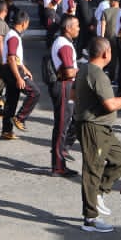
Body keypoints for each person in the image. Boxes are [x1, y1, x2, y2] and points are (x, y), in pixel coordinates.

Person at [75, 38, 121, 233]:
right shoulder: (96, 74)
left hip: (101, 127)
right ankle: (90, 218)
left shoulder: (86, 69)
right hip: (94, 127)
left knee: (119, 159)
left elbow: (73, 95)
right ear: (105, 53)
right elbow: (110, 105)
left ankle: (99, 193)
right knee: (93, 169)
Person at [47, 15, 81, 175]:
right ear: (68, 28)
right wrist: (82, 70)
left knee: (73, 119)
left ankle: (62, 151)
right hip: (64, 86)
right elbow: (68, 71)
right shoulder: (64, 45)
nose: (78, 29)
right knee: (62, 125)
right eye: (77, 26)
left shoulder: (64, 42)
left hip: (67, 86)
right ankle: (58, 165)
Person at [0, 8, 37, 140]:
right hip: (12, 70)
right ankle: (20, 118)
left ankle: (6, 131)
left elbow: (16, 57)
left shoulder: (13, 35)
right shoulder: (14, 37)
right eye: (28, 23)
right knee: (35, 92)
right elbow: (11, 58)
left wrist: (24, 68)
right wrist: (19, 77)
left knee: (11, 100)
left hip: (12, 68)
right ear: (24, 23)